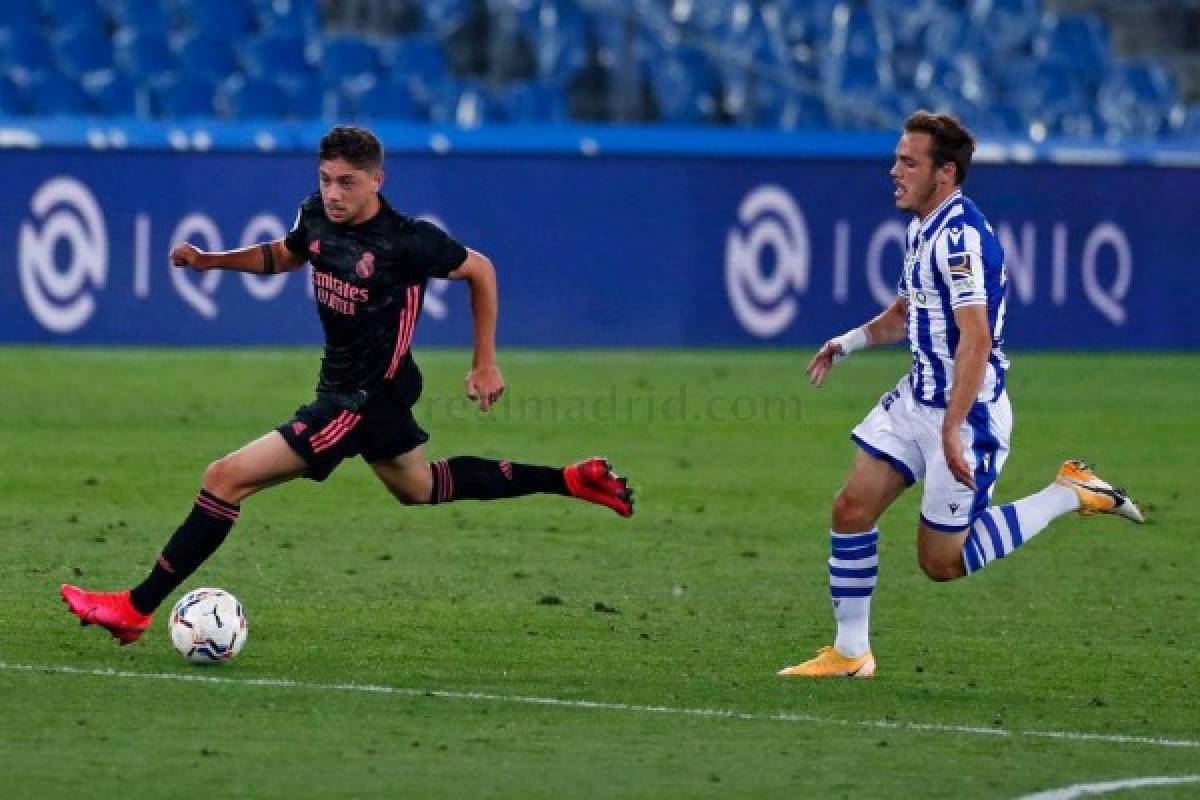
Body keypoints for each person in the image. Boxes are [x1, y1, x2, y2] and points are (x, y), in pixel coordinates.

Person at [62, 125, 634, 645]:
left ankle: (136, 607)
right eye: (326, 179)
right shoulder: (316, 216)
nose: (334, 193)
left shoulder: (408, 241)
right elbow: (283, 255)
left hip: (358, 400)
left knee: (225, 477)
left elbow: (480, 270)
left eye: (347, 183)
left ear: (377, 182)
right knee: (419, 486)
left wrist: (485, 362)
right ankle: (569, 480)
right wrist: (211, 261)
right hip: (362, 392)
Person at [777, 111, 1143, 678]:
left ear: (944, 173)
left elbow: (975, 337)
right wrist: (847, 343)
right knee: (851, 508)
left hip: (966, 414)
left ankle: (1069, 493)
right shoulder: (921, 226)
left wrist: (951, 427)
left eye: (908, 161)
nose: (894, 170)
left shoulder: (960, 240)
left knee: (941, 562)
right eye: (897, 158)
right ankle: (851, 653)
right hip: (916, 398)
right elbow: (906, 313)